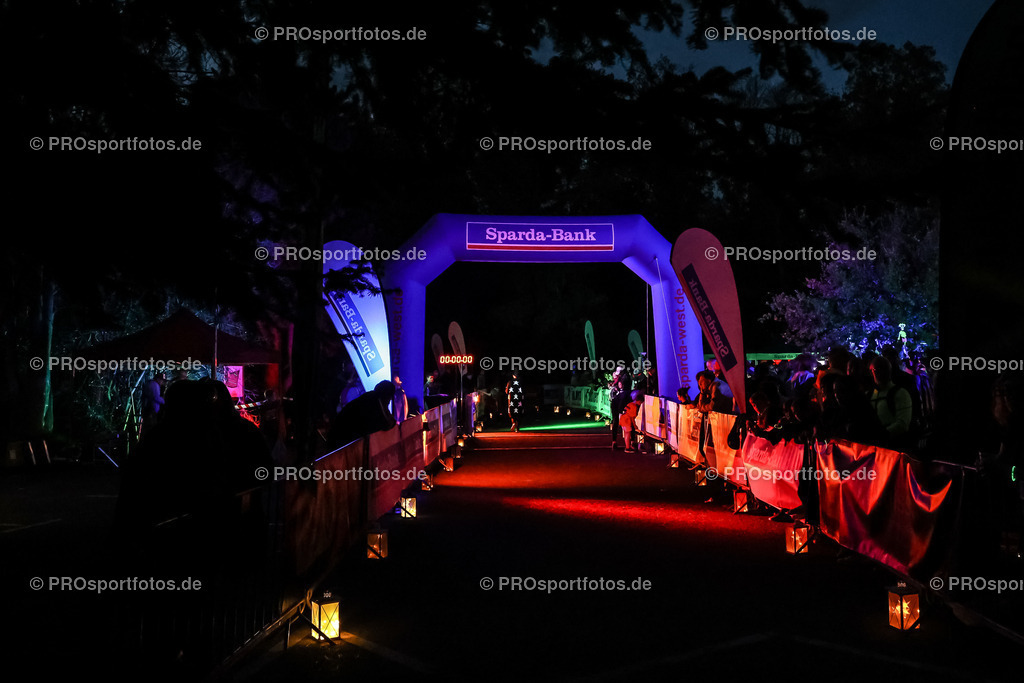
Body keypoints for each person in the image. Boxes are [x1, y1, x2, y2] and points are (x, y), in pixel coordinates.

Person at [326, 380, 397, 449]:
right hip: (341, 440)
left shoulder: (372, 397)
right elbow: (386, 423)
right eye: (390, 397)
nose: (390, 400)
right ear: (386, 395)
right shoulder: (373, 403)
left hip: (342, 438)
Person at [869, 356, 913, 450]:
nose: (880, 372)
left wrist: (879, 435)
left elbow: (902, 425)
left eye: (883, 369)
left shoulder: (900, 393)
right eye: (878, 369)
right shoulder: (869, 394)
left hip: (894, 446)